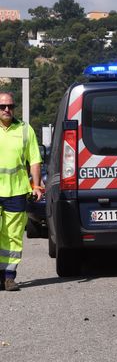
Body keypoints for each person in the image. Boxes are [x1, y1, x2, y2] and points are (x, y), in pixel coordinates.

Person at [0, 92, 42, 291]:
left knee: (13, 236)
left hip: (16, 192)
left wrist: (37, 185)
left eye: (10, 106)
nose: (7, 109)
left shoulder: (25, 130)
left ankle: (9, 277)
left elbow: (34, 159)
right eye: (2, 106)